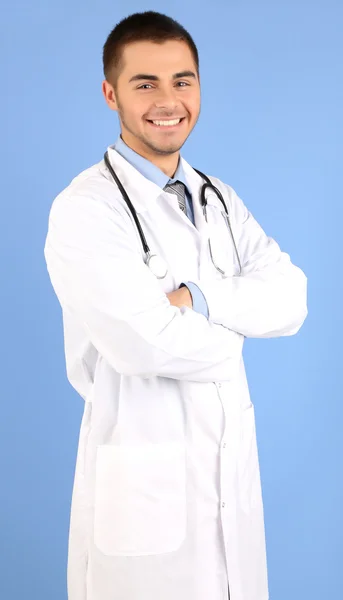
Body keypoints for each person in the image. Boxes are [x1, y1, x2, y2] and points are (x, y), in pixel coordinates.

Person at [44, 10, 307, 600]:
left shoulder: (219, 199)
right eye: (146, 83)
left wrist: (201, 301)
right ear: (111, 93)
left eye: (182, 80)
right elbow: (143, 342)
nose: (169, 100)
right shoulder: (86, 209)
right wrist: (240, 324)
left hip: (228, 494)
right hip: (142, 503)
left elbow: (291, 298)